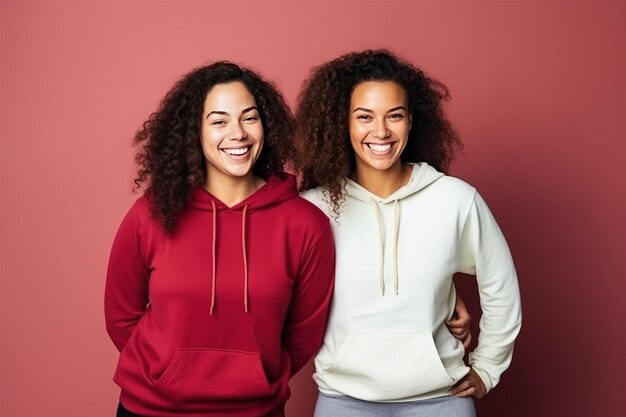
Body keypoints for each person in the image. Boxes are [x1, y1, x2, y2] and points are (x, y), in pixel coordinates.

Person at [293, 50, 522, 416]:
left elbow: (501, 286)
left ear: (411, 121)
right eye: (364, 116)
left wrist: (488, 366)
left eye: (394, 116)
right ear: (344, 124)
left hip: (441, 400)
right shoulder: (313, 209)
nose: (381, 131)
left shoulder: (455, 199)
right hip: (342, 401)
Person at [105, 62, 336, 417]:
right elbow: (121, 315)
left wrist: (256, 375)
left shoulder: (305, 224)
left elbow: (305, 331)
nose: (238, 133)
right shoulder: (151, 214)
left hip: (255, 410)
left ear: (267, 124)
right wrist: (166, 373)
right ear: (193, 132)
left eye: (249, 117)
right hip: (151, 410)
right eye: (219, 121)